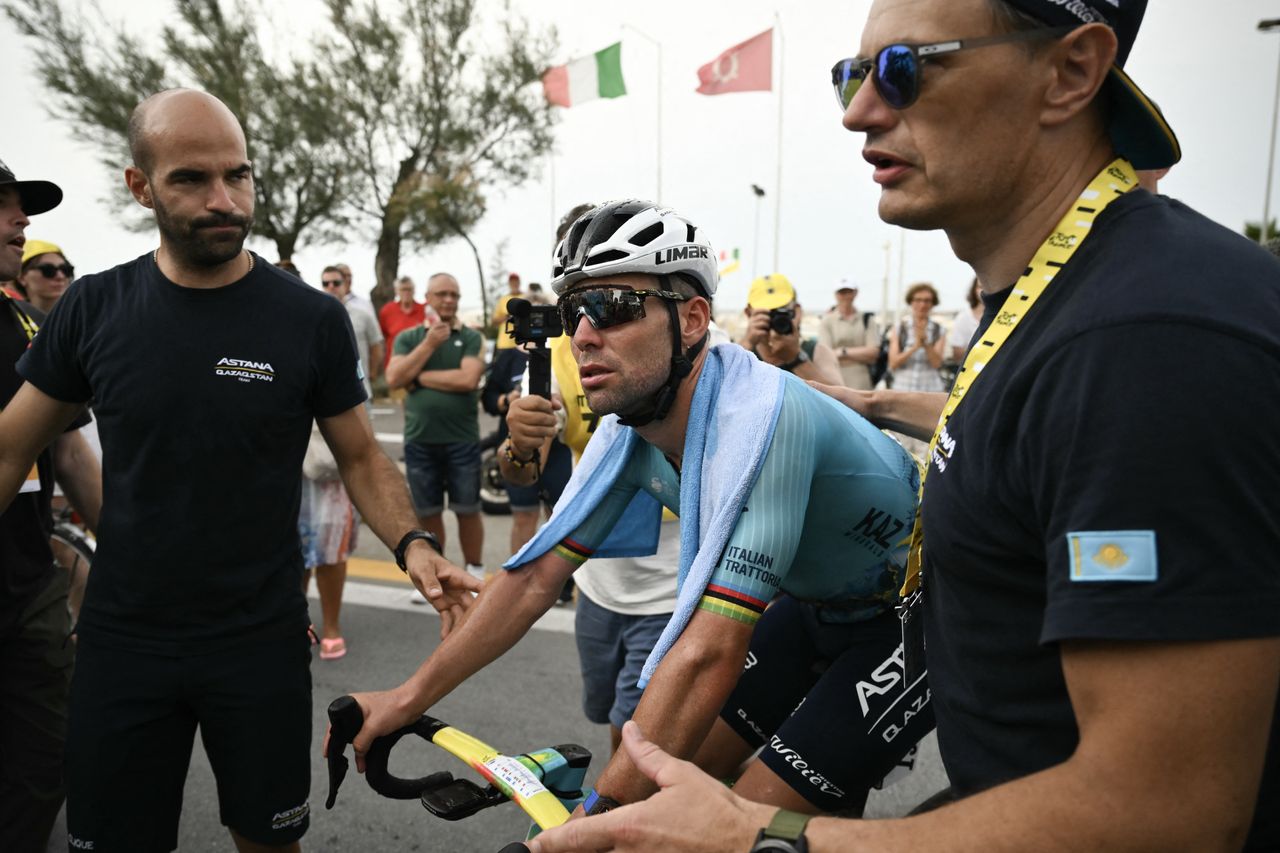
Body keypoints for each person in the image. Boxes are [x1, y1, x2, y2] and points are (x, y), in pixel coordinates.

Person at [528, 0, 1280, 850]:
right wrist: (873, 404)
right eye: (851, 75)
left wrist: (764, 837)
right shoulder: (1057, 301)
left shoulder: (1147, 339)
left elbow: (1167, 810)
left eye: (904, 70)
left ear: (1071, 72)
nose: (858, 112)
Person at [0, 90, 478, 853]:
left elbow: (359, 453)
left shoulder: (308, 320)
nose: (225, 200)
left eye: (240, 175)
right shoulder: (92, 308)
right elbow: (10, 445)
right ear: (140, 186)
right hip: (124, 640)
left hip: (257, 636)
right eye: (192, 179)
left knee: (268, 838)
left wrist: (415, 545)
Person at [344, 200, 930, 820]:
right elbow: (530, 580)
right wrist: (403, 699)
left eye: (614, 308)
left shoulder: (762, 414)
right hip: (814, 609)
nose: (584, 335)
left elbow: (710, 649)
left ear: (695, 319)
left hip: (910, 615)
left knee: (752, 818)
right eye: (574, 312)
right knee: (656, 789)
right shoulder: (629, 422)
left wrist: (590, 828)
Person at [0, 160, 102, 853]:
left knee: (44, 756)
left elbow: (67, 451)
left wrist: (132, 551)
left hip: (27, 584)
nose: (22, 221)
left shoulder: (28, 326)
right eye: (4, 207)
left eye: (21, 207)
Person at [386, 271, 487, 580]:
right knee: (428, 512)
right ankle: (438, 573)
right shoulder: (409, 338)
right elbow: (393, 378)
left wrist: (418, 377)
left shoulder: (471, 337)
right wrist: (429, 345)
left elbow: (467, 379)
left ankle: (474, 570)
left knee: (467, 509)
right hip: (420, 441)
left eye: (454, 295)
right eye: (442, 294)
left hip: (463, 441)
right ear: (426, 299)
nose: (448, 300)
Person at [738, 273, 843, 385]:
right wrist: (747, 343)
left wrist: (795, 358)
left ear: (797, 311)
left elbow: (842, 400)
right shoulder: (737, 354)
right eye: (767, 312)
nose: (774, 320)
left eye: (781, 312)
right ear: (749, 313)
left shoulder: (817, 352)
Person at [322, 264, 382, 400]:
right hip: (324, 395)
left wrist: (371, 373)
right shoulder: (312, 316)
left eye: (336, 283)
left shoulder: (363, 312)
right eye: (326, 283)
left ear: (345, 284)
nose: (331, 287)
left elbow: (376, 344)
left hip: (359, 391)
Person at [817, 279, 880, 389]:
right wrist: (861, 354)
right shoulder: (826, 321)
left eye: (848, 292)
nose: (845, 296)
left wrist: (842, 351)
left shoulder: (867, 320)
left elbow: (873, 353)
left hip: (861, 383)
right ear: (836, 295)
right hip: (834, 380)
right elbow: (827, 355)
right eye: (842, 292)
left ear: (855, 293)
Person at [887, 282, 946, 392]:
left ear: (933, 303)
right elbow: (893, 363)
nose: (922, 305)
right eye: (918, 300)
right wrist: (915, 347)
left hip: (931, 390)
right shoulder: (900, 328)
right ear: (911, 302)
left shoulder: (939, 330)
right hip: (903, 388)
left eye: (927, 301)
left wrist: (925, 344)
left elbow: (937, 363)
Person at [14, 239, 74, 314]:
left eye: (66, 270)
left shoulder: (83, 317)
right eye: (48, 270)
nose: (60, 276)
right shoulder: (9, 318)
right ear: (22, 278)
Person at [377, 275, 424, 369]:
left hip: (419, 364)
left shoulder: (423, 310)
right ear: (397, 291)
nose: (406, 293)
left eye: (409, 289)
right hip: (394, 364)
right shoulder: (387, 310)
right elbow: (382, 337)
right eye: (403, 289)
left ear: (414, 290)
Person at [947, 278, 982, 362]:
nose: (984, 291)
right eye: (980, 287)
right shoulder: (963, 317)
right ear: (974, 290)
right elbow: (957, 353)